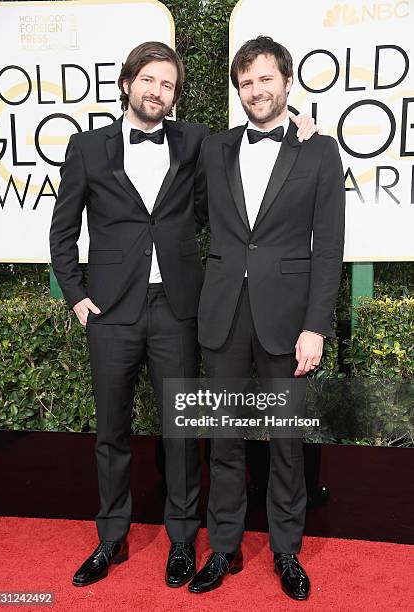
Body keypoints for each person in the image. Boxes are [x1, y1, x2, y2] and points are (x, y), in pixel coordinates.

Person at [49, 40, 318, 589]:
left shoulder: (198, 141)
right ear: (127, 84)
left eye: (168, 84)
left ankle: (181, 541)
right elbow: (62, 231)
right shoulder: (85, 147)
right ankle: (110, 539)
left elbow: (250, 167)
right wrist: (75, 293)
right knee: (111, 431)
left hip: (179, 308)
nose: (157, 91)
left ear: (176, 96)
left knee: (183, 431)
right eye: (148, 80)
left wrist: (300, 122)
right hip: (110, 311)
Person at [189, 36, 345, 600]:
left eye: (266, 79)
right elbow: (196, 210)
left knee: (286, 441)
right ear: (238, 90)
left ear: (286, 82)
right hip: (223, 314)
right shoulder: (214, 148)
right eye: (247, 82)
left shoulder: (320, 151)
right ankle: (223, 548)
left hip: (288, 320)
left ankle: (286, 551)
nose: (257, 89)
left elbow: (328, 248)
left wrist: (315, 327)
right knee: (224, 440)